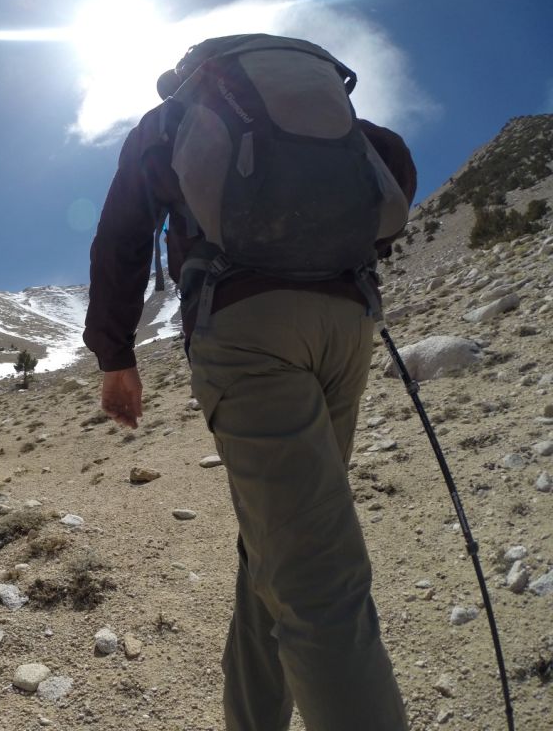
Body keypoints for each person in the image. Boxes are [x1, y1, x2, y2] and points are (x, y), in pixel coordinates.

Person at [83, 37, 417, 731]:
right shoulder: (329, 117)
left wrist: (116, 356)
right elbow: (395, 165)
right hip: (348, 321)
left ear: (191, 76)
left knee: (313, 575)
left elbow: (121, 233)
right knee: (277, 542)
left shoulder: (174, 115)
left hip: (247, 329)